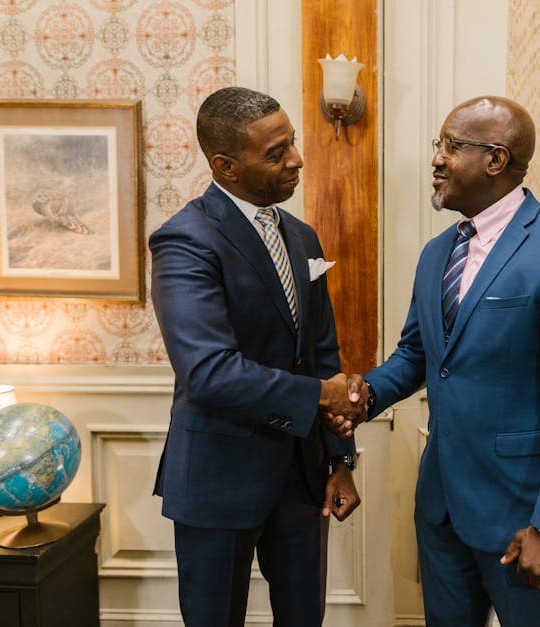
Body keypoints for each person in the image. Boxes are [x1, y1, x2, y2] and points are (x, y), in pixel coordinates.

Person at [334, 96, 540, 626]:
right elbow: (420, 355)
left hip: (524, 518)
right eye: (437, 146)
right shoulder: (436, 252)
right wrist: (366, 395)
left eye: (450, 146)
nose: (436, 159)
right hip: (441, 507)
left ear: (495, 158)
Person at [150, 86, 366, 627]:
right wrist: (322, 395)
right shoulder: (185, 241)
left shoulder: (302, 237)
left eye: (291, 142)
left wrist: (340, 460)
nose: (295, 159)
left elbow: (322, 354)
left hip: (303, 477)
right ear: (225, 166)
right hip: (219, 477)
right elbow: (208, 372)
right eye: (275, 153)